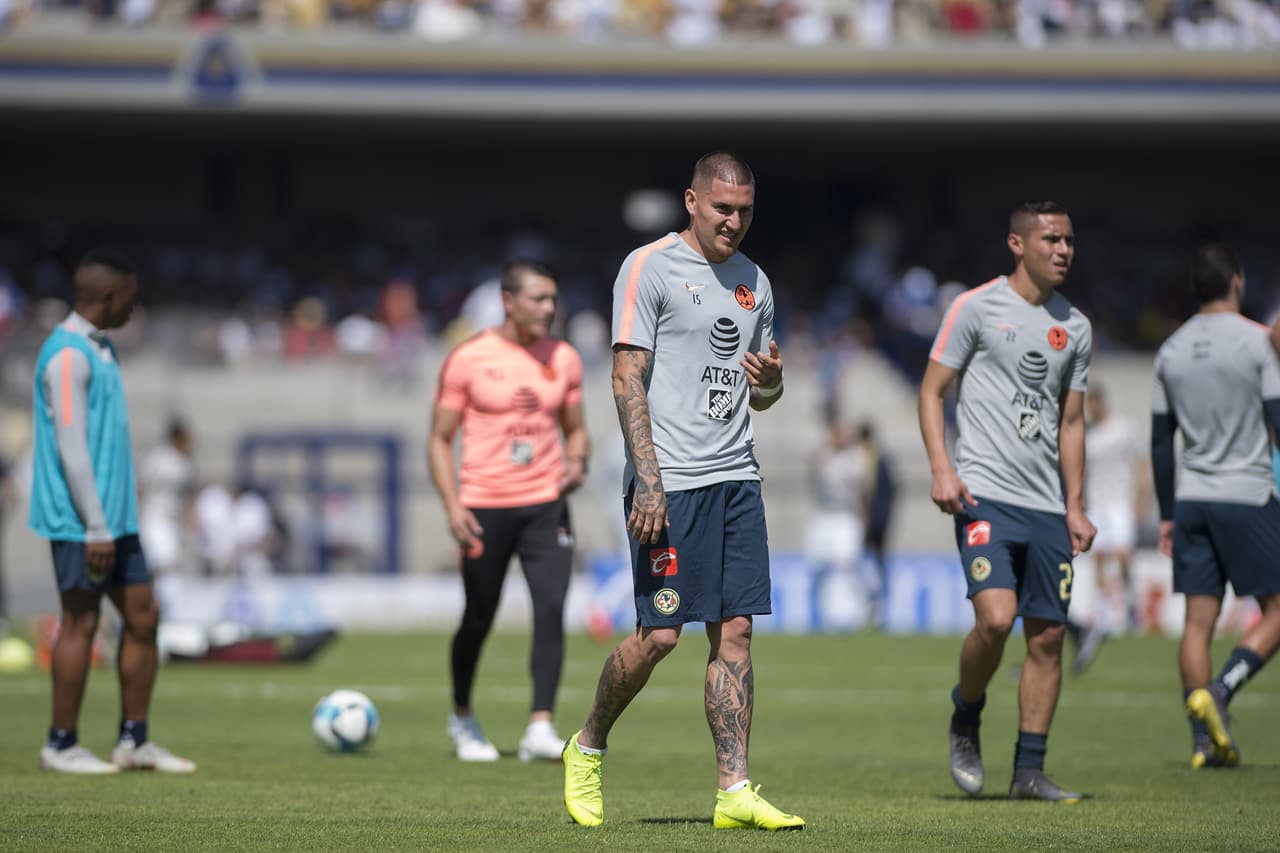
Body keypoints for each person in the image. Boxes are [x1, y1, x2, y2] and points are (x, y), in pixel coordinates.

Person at [562, 151, 805, 831]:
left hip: (737, 480)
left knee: (736, 631)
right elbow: (625, 376)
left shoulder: (755, 282)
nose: (734, 221)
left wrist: (770, 381)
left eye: (746, 210)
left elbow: (762, 394)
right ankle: (586, 744)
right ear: (692, 201)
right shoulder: (650, 266)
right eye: (723, 207)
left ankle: (734, 790)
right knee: (660, 635)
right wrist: (648, 476)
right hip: (670, 482)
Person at [918, 201, 1094, 802]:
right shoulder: (974, 306)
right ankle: (966, 713)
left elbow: (1072, 423)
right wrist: (943, 468)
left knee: (1046, 639)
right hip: (982, 492)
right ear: (1017, 244)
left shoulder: (1076, 326)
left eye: (1069, 240)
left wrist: (1075, 503)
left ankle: (1029, 771)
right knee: (995, 619)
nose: (1064, 249)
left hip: (1046, 504)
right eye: (1051, 239)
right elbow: (932, 390)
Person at [28, 249, 195, 774]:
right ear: (109, 296)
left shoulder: (100, 352)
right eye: (130, 296)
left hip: (116, 521)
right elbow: (72, 447)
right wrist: (95, 524)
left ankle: (134, 740)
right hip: (85, 523)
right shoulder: (68, 356)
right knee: (80, 621)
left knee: (144, 617)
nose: (133, 307)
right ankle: (61, 744)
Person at [428, 259, 589, 763]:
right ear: (508, 301)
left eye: (552, 298)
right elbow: (438, 439)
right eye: (538, 298)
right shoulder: (468, 359)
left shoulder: (564, 357)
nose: (548, 308)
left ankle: (540, 725)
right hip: (484, 506)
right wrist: (453, 505)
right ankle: (462, 717)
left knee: (550, 607)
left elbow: (576, 428)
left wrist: (578, 459)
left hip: (546, 504)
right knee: (478, 616)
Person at [1153, 243, 1280, 769]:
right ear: (1237, 281)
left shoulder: (1170, 350)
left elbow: (1162, 442)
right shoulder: (1258, 343)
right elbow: (1277, 415)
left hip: (1192, 499)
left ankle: (1203, 744)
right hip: (1247, 493)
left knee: (1196, 624)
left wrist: (1165, 511)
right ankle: (1223, 690)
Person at [1071, 383, 1146, 672]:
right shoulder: (1089, 434)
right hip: (1098, 505)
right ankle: (1105, 616)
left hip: (1120, 502)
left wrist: (1141, 498)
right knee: (1101, 560)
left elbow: (1140, 462)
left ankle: (1130, 605)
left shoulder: (1123, 428)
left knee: (1124, 555)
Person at [137, 417, 197, 576]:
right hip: (154, 517)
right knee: (163, 563)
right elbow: (141, 485)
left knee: (170, 565)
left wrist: (189, 518)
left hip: (173, 521)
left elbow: (188, 494)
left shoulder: (186, 464)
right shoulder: (157, 457)